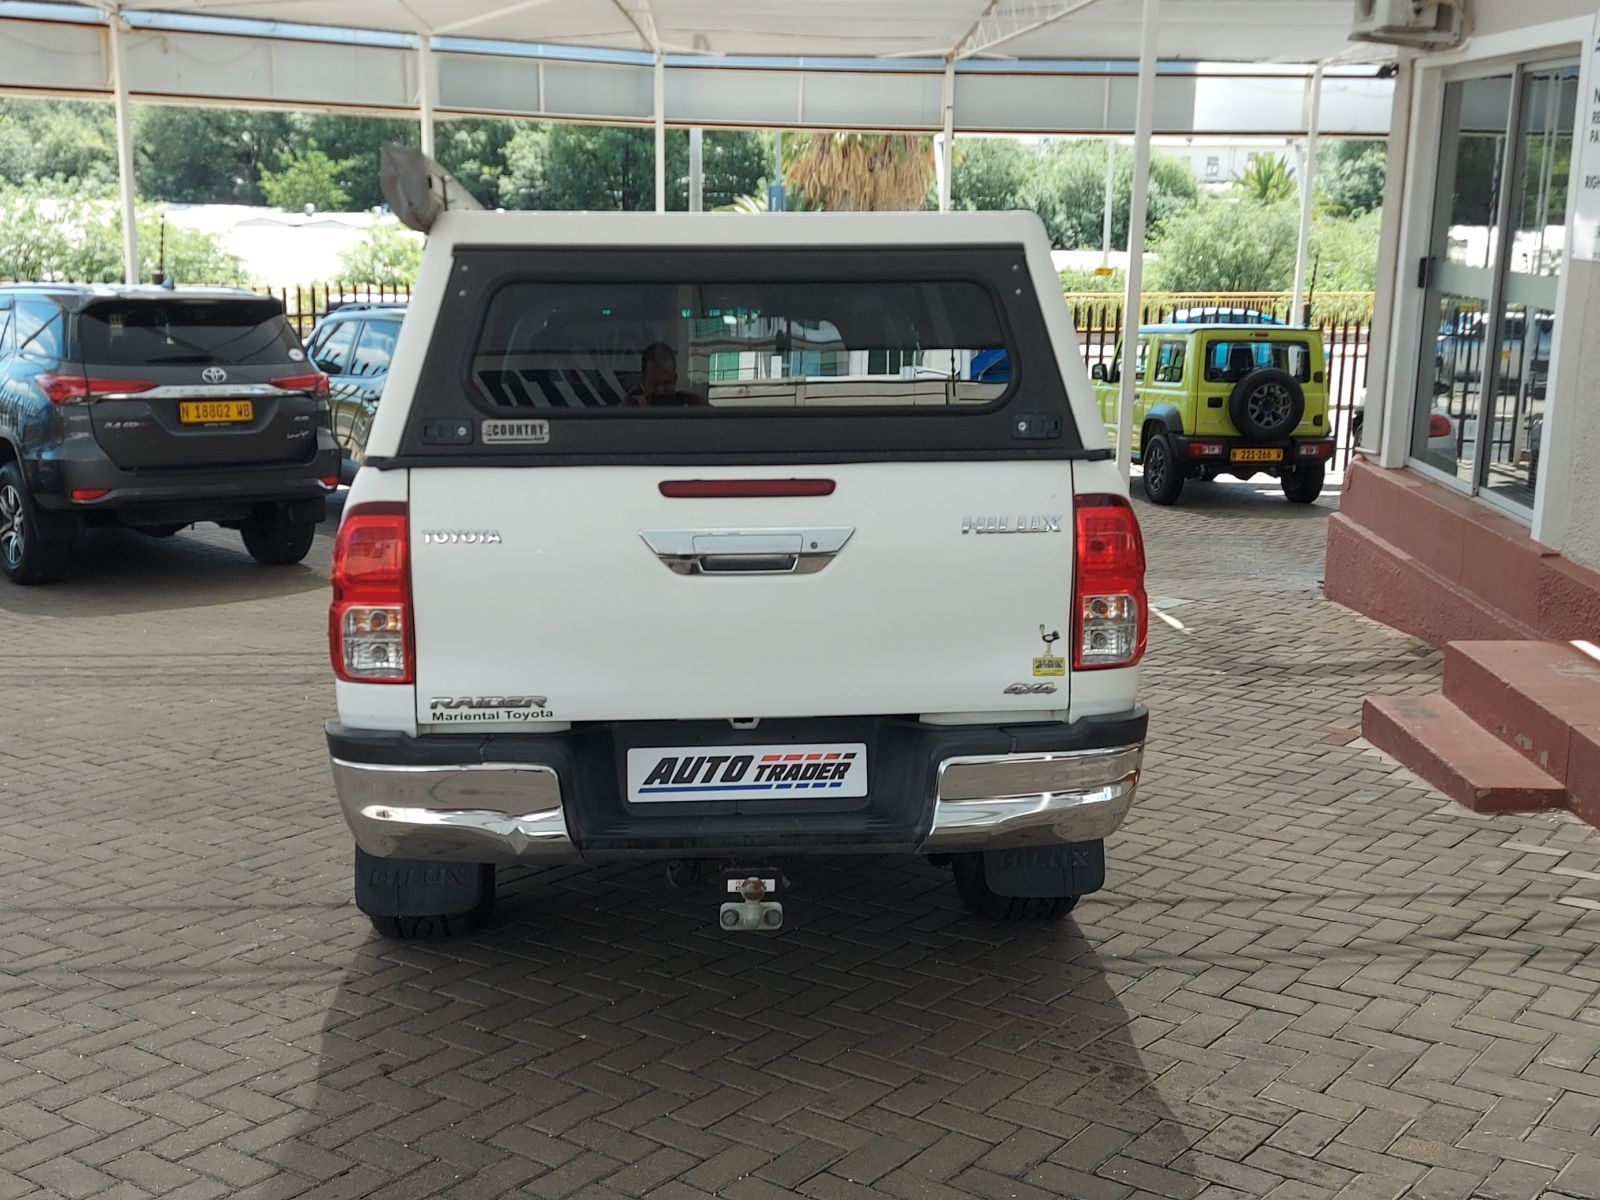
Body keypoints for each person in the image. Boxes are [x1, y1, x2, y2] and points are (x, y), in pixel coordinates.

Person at [623, 342, 693, 406]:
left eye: (667, 383)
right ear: (642, 381)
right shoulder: (631, 413)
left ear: (674, 380)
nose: (660, 390)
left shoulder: (686, 414)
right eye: (654, 383)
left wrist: (698, 405)